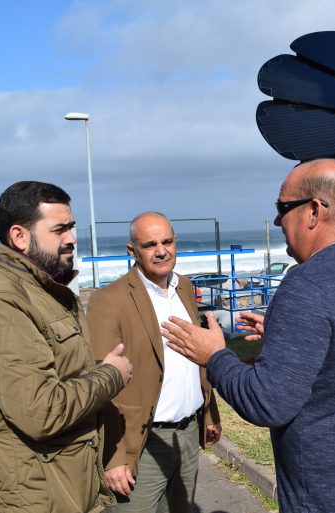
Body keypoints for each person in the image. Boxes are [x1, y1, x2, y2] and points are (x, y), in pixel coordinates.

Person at [161, 159, 335, 513]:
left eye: (283, 208)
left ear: (314, 211)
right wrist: (287, 334)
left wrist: (215, 355)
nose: (277, 221)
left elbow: (267, 403)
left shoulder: (306, 284)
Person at [0, 180, 133, 513]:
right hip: (29, 497)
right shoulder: (0, 303)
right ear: (19, 237)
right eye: (60, 229)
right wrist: (110, 376)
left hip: (59, 486)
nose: (72, 239)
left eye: (72, 227)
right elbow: (41, 412)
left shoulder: (43, 289)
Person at [87, 211, 221, 512]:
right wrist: (115, 455)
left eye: (167, 241)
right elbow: (101, 384)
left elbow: (196, 359)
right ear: (132, 251)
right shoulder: (108, 300)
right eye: (150, 245)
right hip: (141, 443)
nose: (161, 251)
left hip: (186, 436)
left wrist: (209, 414)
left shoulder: (184, 287)